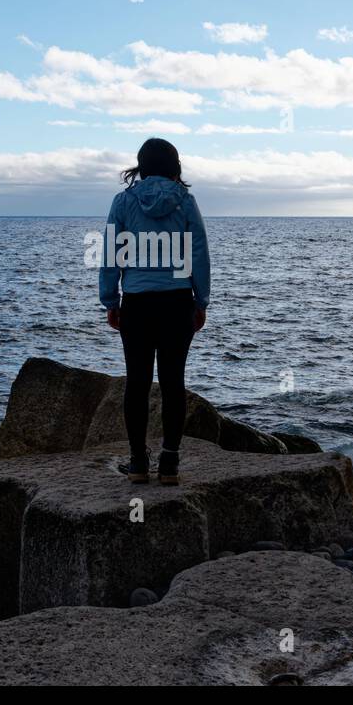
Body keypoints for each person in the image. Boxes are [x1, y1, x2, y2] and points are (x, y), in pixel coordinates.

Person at [99, 137, 210, 485]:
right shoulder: (186, 203)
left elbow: (110, 254)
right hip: (177, 302)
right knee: (174, 382)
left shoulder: (123, 202)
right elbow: (199, 255)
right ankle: (170, 464)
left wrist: (110, 301)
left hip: (137, 303)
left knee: (137, 383)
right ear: (174, 166)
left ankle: (137, 464)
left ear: (141, 167)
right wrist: (201, 301)